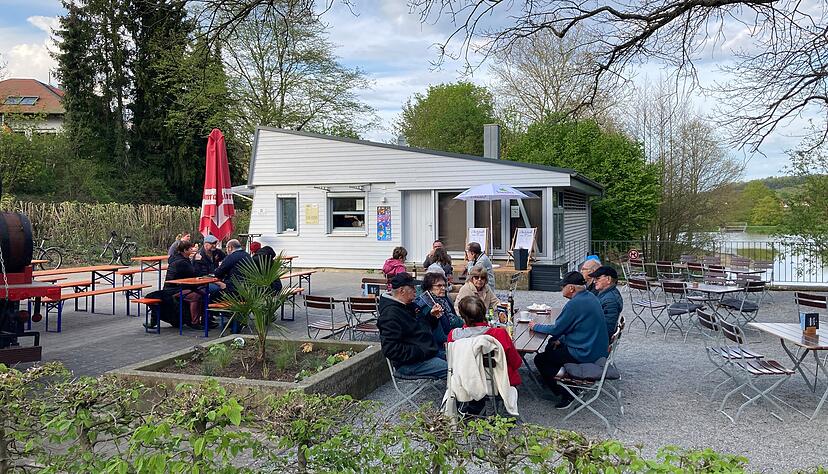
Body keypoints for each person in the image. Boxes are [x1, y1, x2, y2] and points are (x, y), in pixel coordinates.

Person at [528, 271, 609, 408]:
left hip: (585, 353)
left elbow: (556, 329)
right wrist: (562, 340)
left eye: (562, 286)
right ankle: (561, 383)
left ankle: (567, 393)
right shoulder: (590, 297)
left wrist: (535, 326)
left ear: (571, 288)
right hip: (595, 348)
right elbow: (575, 327)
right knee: (552, 345)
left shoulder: (575, 304)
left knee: (541, 359)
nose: (561, 289)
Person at [378, 273, 448, 378]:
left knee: (461, 359)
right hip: (410, 363)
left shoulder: (409, 305)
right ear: (402, 291)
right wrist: (422, 351)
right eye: (412, 287)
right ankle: (458, 393)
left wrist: (432, 316)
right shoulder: (390, 315)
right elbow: (391, 350)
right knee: (454, 369)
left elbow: (423, 328)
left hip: (428, 353)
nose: (416, 290)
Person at [164, 241, 210, 328]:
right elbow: (195, 273)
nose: (193, 250)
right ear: (185, 250)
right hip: (172, 289)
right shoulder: (181, 262)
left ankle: (205, 320)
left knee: (204, 294)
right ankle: (194, 322)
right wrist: (197, 261)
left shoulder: (184, 259)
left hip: (183, 286)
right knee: (195, 296)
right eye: (190, 248)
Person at [414, 272, 463, 350]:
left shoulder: (444, 299)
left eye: (444, 285)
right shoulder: (426, 303)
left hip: (452, 335)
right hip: (437, 345)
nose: (443, 288)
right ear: (429, 287)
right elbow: (437, 334)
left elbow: (454, 317)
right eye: (439, 286)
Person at [590, 265, 624, 337]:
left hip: (596, 341)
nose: (594, 281)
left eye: (597, 278)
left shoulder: (610, 301)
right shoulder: (607, 294)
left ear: (608, 279)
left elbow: (607, 329)